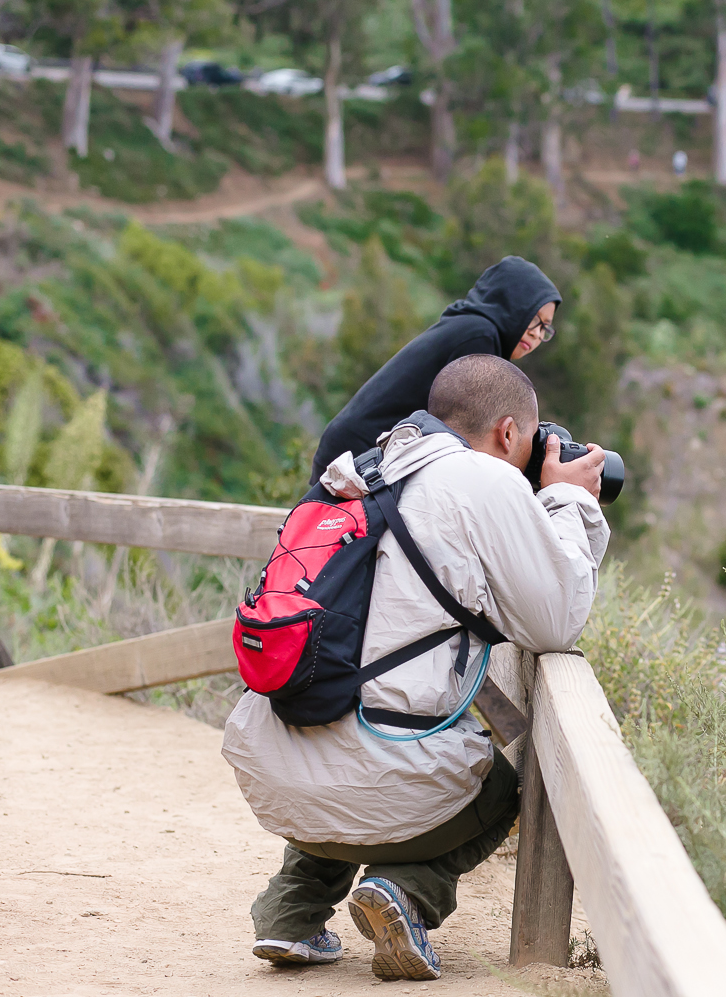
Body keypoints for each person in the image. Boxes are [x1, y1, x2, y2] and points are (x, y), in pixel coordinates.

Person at [223, 355, 609, 982]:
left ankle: (289, 916)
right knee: (500, 792)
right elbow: (556, 620)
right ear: (509, 433)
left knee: (345, 741)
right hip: (381, 778)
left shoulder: (361, 468)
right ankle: (406, 892)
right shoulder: (483, 480)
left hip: (271, 767)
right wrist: (567, 496)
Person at [309, 255, 563, 483]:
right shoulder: (478, 336)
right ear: (510, 301)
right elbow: (471, 436)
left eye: (545, 327)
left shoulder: (471, 328)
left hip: (360, 453)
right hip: (360, 455)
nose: (536, 333)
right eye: (532, 317)